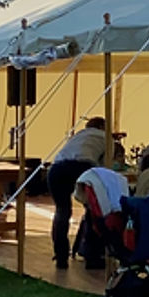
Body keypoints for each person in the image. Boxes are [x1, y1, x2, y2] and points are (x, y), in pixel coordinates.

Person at [47, 116, 106, 270]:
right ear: (102, 126)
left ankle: (61, 257)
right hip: (82, 166)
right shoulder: (105, 137)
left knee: (62, 212)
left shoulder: (76, 136)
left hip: (56, 169)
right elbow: (106, 166)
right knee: (94, 210)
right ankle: (92, 256)